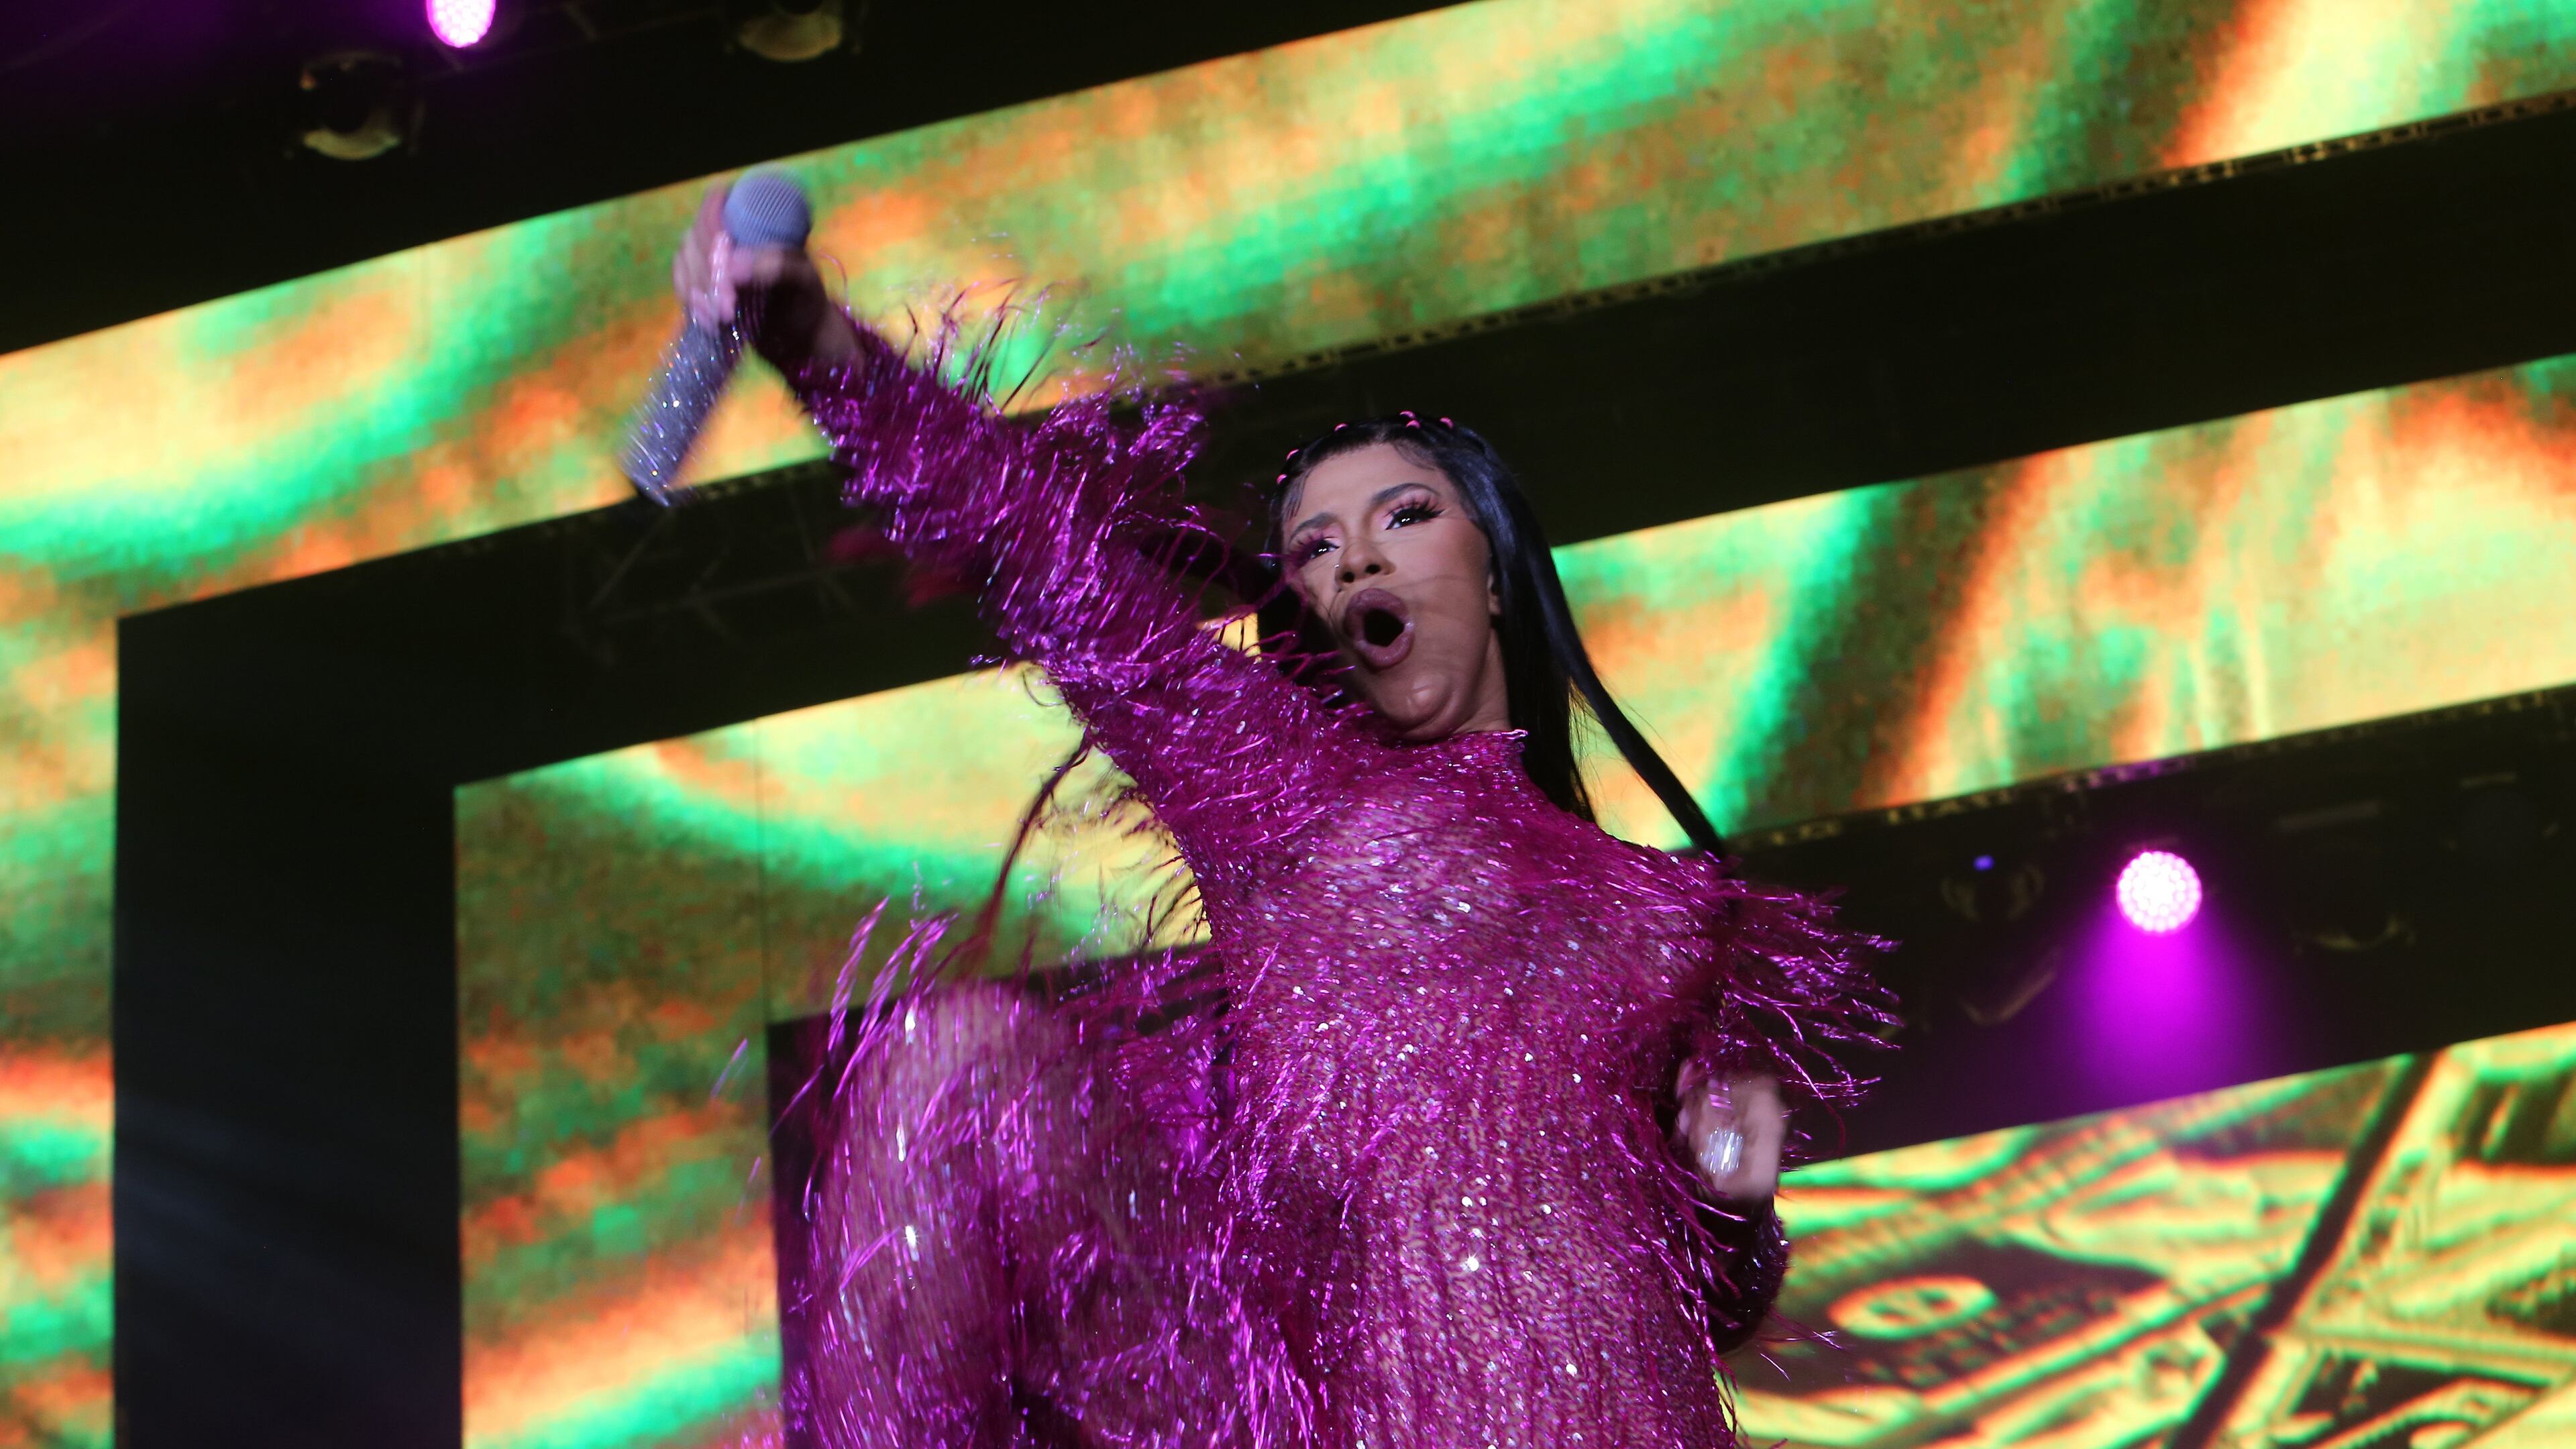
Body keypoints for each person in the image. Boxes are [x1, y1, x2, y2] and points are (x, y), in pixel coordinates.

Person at [674, 184, 1889, 1448]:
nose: (1355, 559)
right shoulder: (1283, 802)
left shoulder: (1673, 917)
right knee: (957, 1063)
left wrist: (1737, 1208)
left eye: (1405, 516)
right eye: (1314, 546)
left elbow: (1718, 1301)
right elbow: (1045, 555)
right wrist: (822, 345)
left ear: (1495, 569)